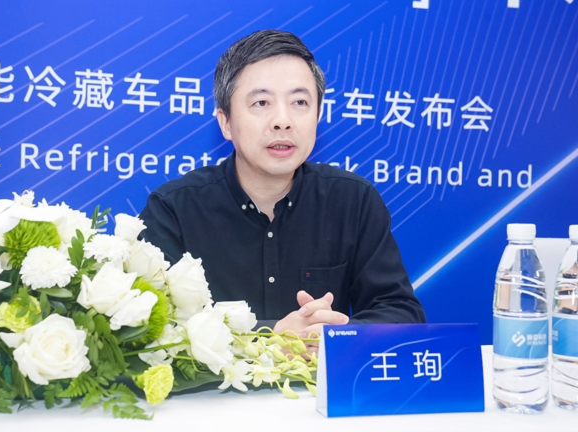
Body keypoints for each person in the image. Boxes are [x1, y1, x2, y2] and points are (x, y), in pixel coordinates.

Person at [139, 30, 426, 345]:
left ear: (318, 115)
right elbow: (150, 327)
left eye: (299, 102)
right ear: (226, 123)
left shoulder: (353, 201)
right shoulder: (173, 210)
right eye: (261, 102)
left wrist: (335, 336)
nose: (282, 120)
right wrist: (272, 337)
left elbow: (401, 313)